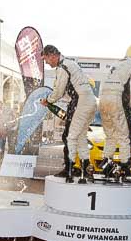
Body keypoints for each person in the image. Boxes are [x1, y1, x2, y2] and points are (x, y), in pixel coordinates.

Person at [40, 45, 97, 183]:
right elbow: (67, 92)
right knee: (81, 137)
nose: (47, 63)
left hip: (80, 102)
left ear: (52, 55)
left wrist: (48, 100)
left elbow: (59, 91)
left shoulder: (62, 67)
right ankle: (86, 169)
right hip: (90, 101)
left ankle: (70, 171)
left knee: (69, 136)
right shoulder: (70, 63)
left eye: (46, 60)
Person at [98, 43, 131, 179]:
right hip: (117, 101)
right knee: (124, 137)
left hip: (103, 100)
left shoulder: (115, 65)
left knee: (110, 136)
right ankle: (125, 168)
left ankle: (106, 164)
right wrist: (128, 105)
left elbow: (104, 85)